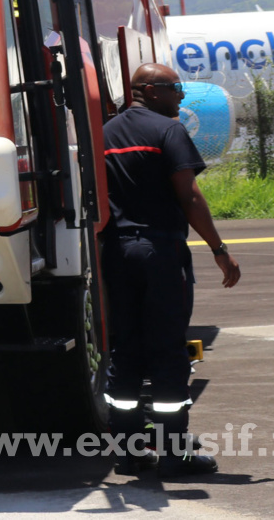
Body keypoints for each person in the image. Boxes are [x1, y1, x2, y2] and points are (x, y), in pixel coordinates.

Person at [101, 63, 241, 475]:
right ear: (148, 89)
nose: (181, 96)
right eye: (174, 88)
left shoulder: (106, 134)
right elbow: (190, 196)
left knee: (125, 351)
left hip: (117, 253)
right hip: (158, 253)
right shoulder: (168, 130)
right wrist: (219, 248)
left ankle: (127, 452)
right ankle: (176, 453)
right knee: (167, 352)